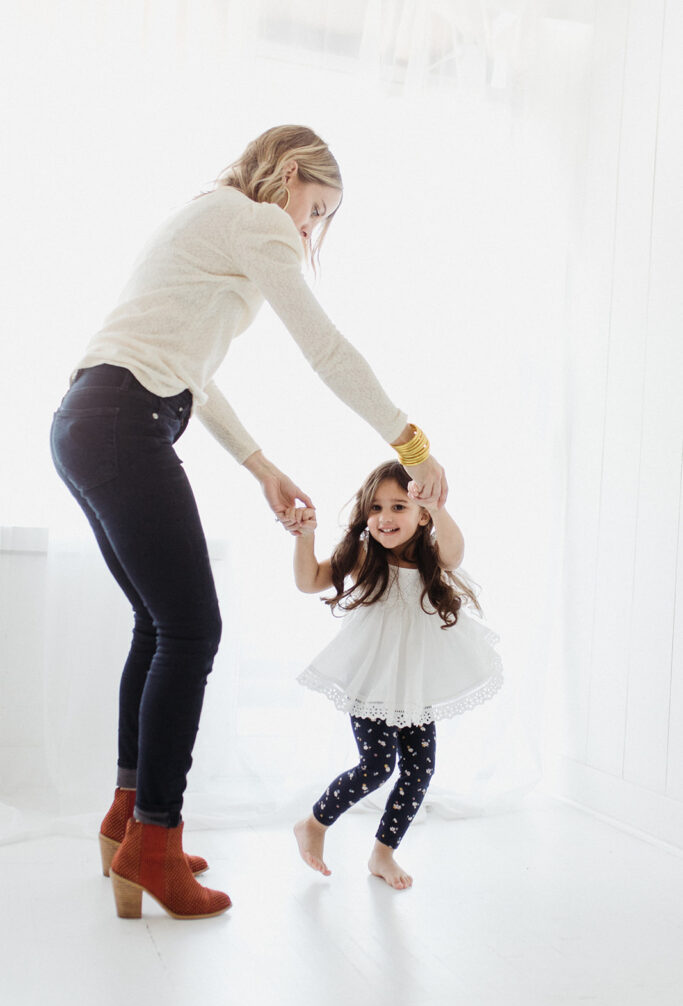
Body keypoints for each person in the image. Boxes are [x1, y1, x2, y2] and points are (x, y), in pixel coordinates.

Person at [49, 125, 448, 920]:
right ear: (291, 175)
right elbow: (325, 350)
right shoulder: (257, 220)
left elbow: (188, 370)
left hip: (91, 416)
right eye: (315, 209)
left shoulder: (209, 215)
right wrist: (411, 440)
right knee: (191, 633)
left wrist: (261, 467)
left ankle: (129, 821)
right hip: (126, 417)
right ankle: (155, 847)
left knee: (157, 627)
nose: (308, 230)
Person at [285, 459, 503, 890]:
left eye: (399, 506)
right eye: (377, 507)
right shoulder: (364, 554)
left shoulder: (431, 557)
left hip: (414, 683)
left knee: (420, 770)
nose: (385, 517)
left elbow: (455, 552)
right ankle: (314, 823)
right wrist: (305, 536)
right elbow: (310, 581)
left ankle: (383, 852)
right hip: (371, 681)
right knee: (377, 765)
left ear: (422, 515)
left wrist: (438, 505)